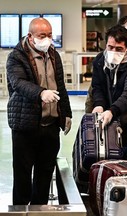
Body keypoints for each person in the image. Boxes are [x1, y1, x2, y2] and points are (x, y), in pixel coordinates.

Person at [6, 18, 72, 205]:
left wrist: (66, 113)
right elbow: (18, 83)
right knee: (23, 174)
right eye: (42, 36)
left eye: (50, 35)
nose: (47, 39)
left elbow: (61, 86)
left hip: (50, 124)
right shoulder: (16, 56)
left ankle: (39, 208)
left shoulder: (53, 54)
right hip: (25, 124)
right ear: (30, 36)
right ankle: (20, 208)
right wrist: (41, 93)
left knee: (44, 173)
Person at [91, 24, 127, 161]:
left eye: (119, 49)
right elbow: (98, 87)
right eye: (110, 47)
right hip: (108, 119)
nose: (113, 52)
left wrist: (112, 110)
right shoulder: (100, 61)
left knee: (126, 161)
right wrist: (99, 104)